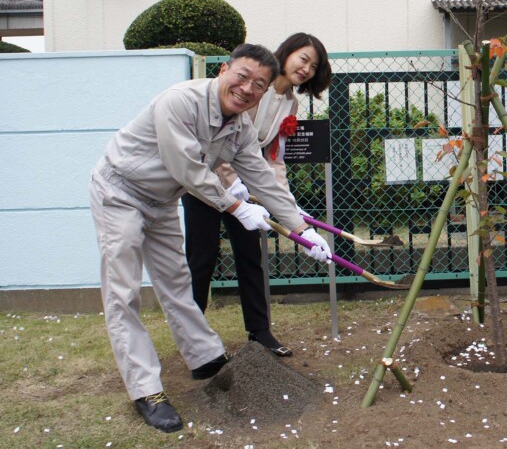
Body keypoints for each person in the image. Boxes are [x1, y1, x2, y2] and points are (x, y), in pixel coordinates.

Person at [89, 43, 334, 433]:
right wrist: (235, 207)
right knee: (123, 291)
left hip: (163, 199)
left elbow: (264, 180)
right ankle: (146, 389)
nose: (248, 88)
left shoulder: (239, 127)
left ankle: (205, 358)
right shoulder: (180, 101)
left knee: (176, 283)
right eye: (243, 76)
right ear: (224, 70)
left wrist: (305, 231)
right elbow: (185, 166)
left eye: (259, 84)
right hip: (122, 191)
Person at [181, 32, 332, 358]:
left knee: (251, 259)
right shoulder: (253, 88)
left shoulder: (289, 101)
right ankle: (193, 339)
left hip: (245, 188)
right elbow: (222, 144)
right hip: (206, 183)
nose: (305, 69)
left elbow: (271, 158)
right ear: (287, 52)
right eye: (303, 59)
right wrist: (235, 187)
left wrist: (289, 209)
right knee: (201, 259)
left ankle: (260, 332)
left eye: (313, 66)